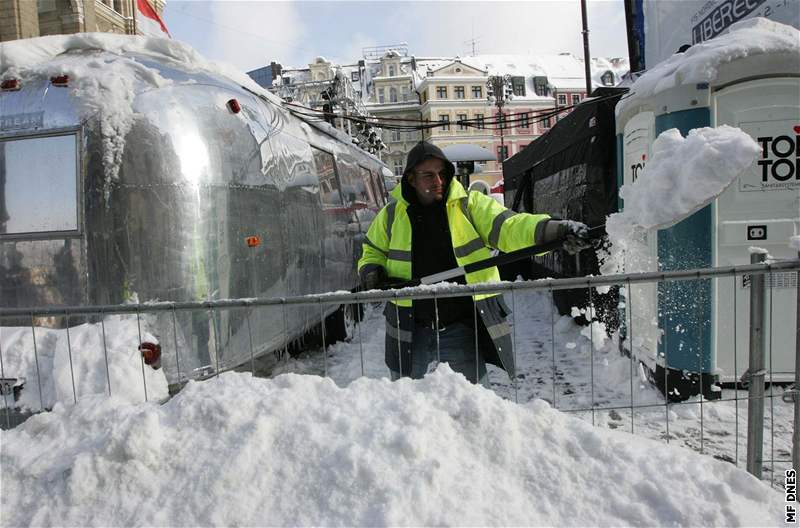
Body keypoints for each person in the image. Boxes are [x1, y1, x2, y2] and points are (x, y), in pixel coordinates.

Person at [358, 141, 588, 385]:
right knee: (408, 407)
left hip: (460, 328)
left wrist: (553, 230)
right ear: (411, 179)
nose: (438, 181)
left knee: (471, 406)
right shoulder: (391, 214)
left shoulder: (470, 206)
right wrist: (371, 270)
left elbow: (511, 227)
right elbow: (371, 250)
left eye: (442, 174)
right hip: (409, 327)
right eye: (428, 175)